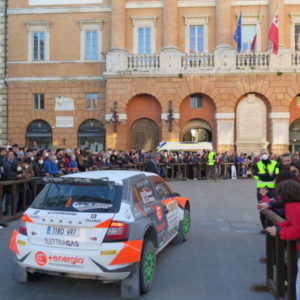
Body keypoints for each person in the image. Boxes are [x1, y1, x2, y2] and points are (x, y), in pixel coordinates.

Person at [265, 180, 300, 299]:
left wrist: (279, 232)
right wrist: (280, 225)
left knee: (298, 283)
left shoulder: (293, 207)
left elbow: (296, 230)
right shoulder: (295, 205)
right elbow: (292, 222)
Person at [253, 148, 280, 233]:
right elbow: (255, 176)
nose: (264, 154)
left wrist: (263, 176)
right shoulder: (257, 164)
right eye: (262, 153)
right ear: (260, 155)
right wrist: (268, 174)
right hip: (261, 189)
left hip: (272, 189)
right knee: (262, 209)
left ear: (269, 154)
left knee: (273, 207)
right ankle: (265, 228)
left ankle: (272, 227)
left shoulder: (276, 163)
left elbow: (276, 175)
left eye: (265, 153)